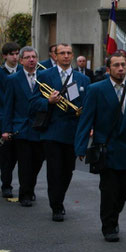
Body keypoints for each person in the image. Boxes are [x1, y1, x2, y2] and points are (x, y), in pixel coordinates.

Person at [75, 50, 126, 242]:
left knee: (125, 187)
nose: (120, 68)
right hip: (106, 148)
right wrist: (81, 147)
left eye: (123, 65)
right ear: (108, 69)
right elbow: (86, 119)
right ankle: (109, 225)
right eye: (116, 65)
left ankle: (114, 213)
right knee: (109, 189)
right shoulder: (96, 89)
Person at [30, 43, 90, 221]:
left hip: (72, 131)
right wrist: (48, 101)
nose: (65, 56)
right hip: (52, 131)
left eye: (68, 53)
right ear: (55, 56)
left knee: (67, 171)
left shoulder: (82, 79)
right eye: (62, 53)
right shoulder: (44, 75)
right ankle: (56, 205)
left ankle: (59, 198)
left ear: (72, 56)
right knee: (54, 170)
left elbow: (86, 106)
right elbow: (33, 103)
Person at [2, 46, 44, 207]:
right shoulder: (13, 79)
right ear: (21, 61)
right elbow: (8, 106)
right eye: (27, 57)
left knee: (37, 161)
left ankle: (30, 187)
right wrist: (6, 129)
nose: (31, 60)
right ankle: (25, 194)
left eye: (34, 57)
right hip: (22, 127)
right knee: (25, 163)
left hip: (40, 127)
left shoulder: (44, 77)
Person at [0, 42, 22, 198]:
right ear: (5, 56)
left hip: (19, 119)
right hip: (3, 118)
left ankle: (25, 187)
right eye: (12, 54)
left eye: (17, 54)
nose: (15, 57)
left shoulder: (22, 72)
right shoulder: (1, 73)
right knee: (6, 155)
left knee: (19, 156)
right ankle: (6, 184)